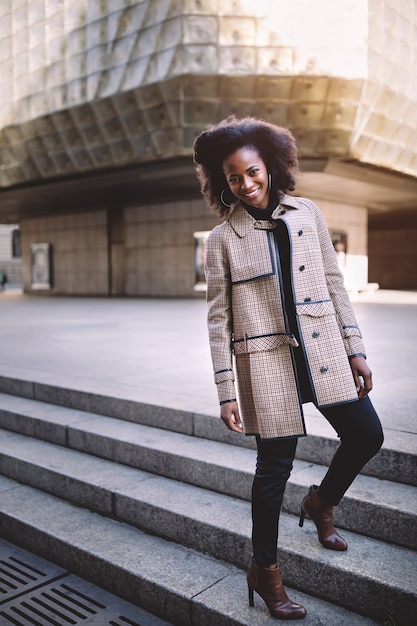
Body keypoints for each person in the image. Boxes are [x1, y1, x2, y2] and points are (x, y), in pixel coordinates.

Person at [193, 116, 383, 620]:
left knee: (367, 435)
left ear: (270, 165)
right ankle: (265, 570)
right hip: (266, 365)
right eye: (234, 178)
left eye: (252, 171)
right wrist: (225, 389)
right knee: (272, 472)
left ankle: (321, 502)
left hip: (323, 352)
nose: (246, 184)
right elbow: (218, 319)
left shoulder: (308, 214)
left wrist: (355, 347)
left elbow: (333, 283)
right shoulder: (222, 238)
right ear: (222, 182)